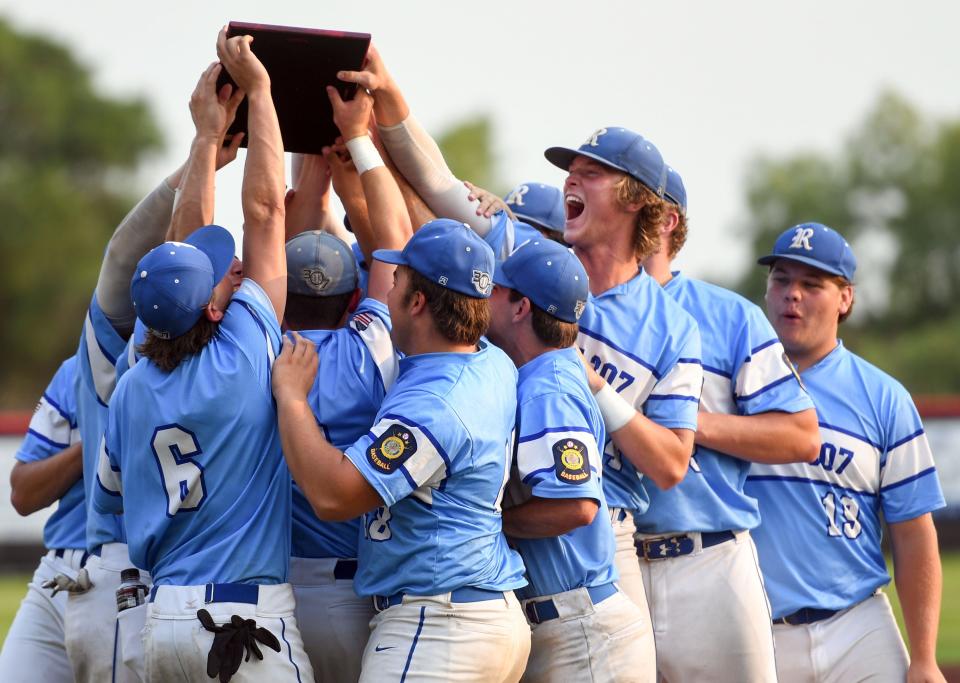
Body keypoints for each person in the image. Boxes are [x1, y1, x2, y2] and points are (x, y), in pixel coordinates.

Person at [93, 30, 313, 682]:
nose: (233, 271)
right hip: (246, 622)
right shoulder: (241, 354)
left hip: (162, 625)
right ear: (214, 307)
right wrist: (264, 93)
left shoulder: (133, 382)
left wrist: (205, 139)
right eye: (222, 276)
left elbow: (108, 492)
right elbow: (268, 210)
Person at [272, 202, 531, 679]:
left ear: (417, 303)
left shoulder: (434, 404)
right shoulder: (488, 359)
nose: (386, 288)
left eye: (398, 281)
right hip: (480, 611)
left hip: (440, 624)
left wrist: (292, 400)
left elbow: (332, 496)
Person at [624, 166, 820, 680]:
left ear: (666, 220)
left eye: (632, 198)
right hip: (613, 557)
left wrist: (683, 426)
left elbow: (801, 435)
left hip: (708, 558)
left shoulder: (728, 315)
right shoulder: (581, 309)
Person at [745, 223, 947, 683]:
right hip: (758, 628)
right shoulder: (730, 383)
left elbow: (913, 533)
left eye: (812, 284)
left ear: (845, 298)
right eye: (781, 280)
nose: (791, 294)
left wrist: (924, 657)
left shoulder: (883, 397)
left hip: (858, 624)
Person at [541, 128, 702, 664]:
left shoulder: (673, 327)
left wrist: (596, 387)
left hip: (605, 540)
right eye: (572, 170)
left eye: (591, 172)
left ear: (635, 199)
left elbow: (671, 464)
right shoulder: (536, 269)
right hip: (502, 526)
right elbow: (439, 189)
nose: (571, 179)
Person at [488, 238, 654, 682]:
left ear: (521, 307)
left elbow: (575, 506)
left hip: (584, 632)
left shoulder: (549, 386)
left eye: (497, 290)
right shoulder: (548, 372)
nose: (486, 297)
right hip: (572, 621)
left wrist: (489, 522)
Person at [281, 112, 410, 680]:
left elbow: (278, 237)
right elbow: (394, 244)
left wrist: (312, 173)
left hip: (278, 589)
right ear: (350, 297)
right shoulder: (372, 343)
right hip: (357, 587)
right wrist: (356, 148)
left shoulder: (258, 349)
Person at [0, 356, 84, 682]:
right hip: (59, 571)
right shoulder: (77, 370)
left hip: (134, 580)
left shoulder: (182, 372)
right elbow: (22, 493)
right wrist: (91, 444)